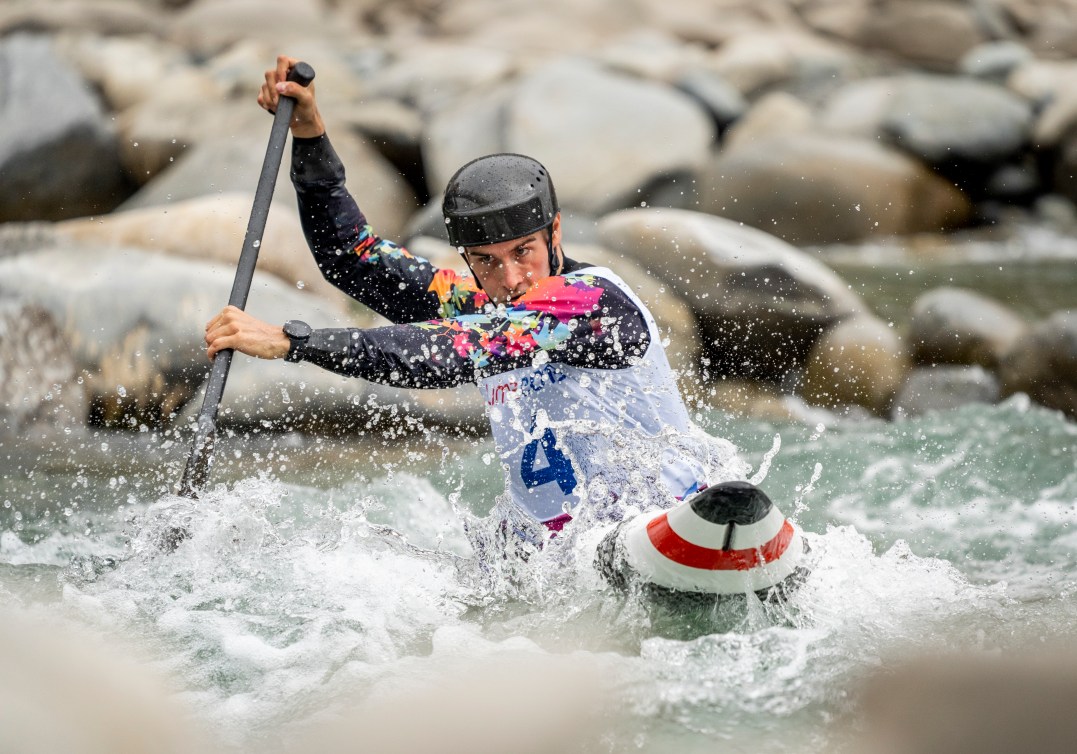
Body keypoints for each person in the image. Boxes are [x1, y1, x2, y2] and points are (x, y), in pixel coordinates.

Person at [204, 56, 742, 547]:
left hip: (668, 526)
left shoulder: (587, 304)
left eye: (523, 252)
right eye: (486, 260)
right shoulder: (481, 309)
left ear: (555, 232)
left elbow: (449, 355)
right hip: (554, 561)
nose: (510, 279)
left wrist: (292, 341)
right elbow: (351, 256)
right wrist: (310, 135)